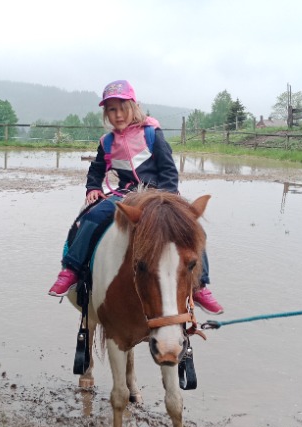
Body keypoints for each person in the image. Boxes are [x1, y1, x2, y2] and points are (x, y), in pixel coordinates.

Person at [48, 79, 223, 314]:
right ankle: (71, 269)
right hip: (126, 193)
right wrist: (93, 188)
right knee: (92, 218)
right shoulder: (107, 142)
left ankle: (200, 285)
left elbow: (168, 169)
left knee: (192, 229)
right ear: (106, 113)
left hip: (159, 193)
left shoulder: (151, 133)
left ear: (133, 107)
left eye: (122, 107)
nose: (118, 114)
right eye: (112, 109)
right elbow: (97, 169)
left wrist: (168, 199)